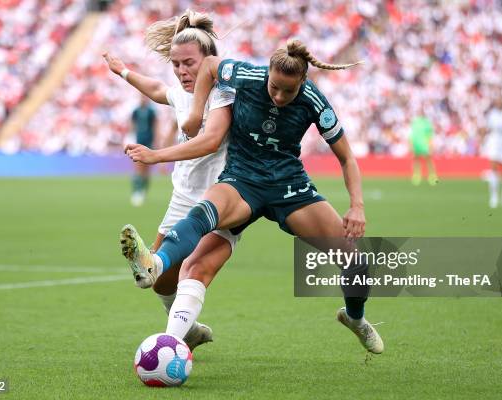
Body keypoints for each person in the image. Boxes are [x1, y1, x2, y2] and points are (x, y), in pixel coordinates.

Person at [126, 39, 384, 354]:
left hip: (288, 185)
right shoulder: (244, 74)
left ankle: (355, 319)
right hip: (243, 179)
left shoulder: (315, 101)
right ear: (267, 74)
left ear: (303, 82)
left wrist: (357, 206)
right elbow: (208, 65)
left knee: (355, 263)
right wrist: (195, 114)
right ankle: (155, 262)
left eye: (288, 91)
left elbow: (347, 158)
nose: (278, 96)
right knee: (204, 212)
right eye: (274, 86)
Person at [103, 9, 239, 350]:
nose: (181, 71)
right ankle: (188, 331)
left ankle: (171, 342)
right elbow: (157, 89)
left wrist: (156, 155)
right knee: (161, 280)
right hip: (184, 196)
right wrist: (123, 71)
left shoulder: (224, 93)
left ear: (209, 61)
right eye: (176, 64)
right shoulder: (180, 93)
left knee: (194, 269)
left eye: (189, 63)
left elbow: (210, 141)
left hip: (223, 197)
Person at [129, 95, 157, 206]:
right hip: (139, 141)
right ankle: (137, 192)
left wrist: (156, 141)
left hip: (149, 142)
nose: (143, 99)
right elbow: (132, 125)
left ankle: (144, 191)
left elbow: (155, 126)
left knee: (146, 170)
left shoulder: (151, 111)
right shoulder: (135, 111)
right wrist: (131, 137)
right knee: (138, 167)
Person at [409, 105, 438, 186]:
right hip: (417, 144)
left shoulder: (426, 123)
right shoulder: (415, 122)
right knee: (416, 159)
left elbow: (429, 135)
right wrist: (411, 144)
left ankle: (432, 176)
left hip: (424, 144)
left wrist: (431, 144)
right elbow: (412, 135)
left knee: (428, 159)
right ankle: (417, 176)